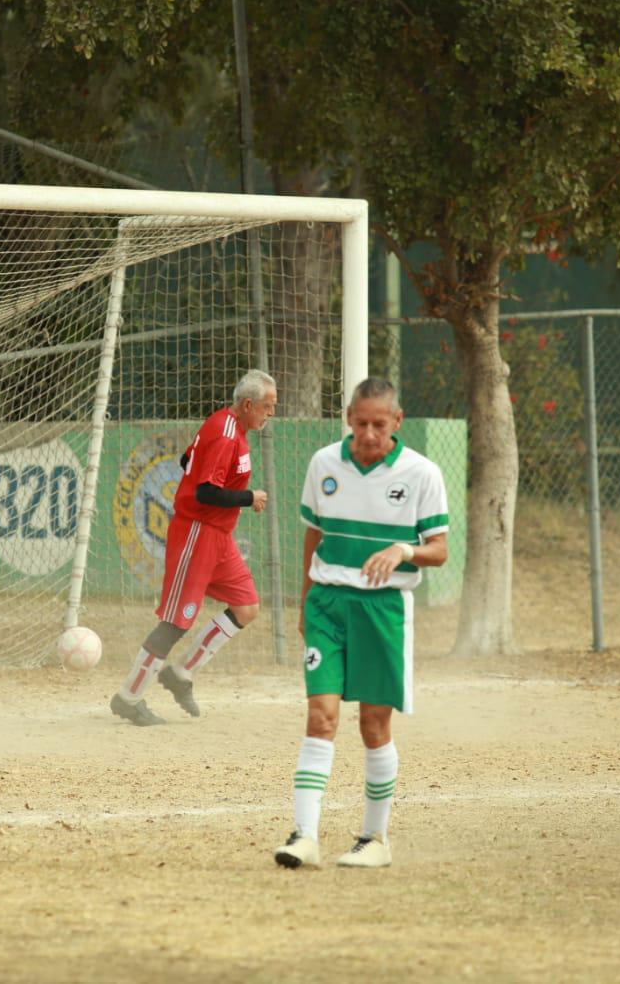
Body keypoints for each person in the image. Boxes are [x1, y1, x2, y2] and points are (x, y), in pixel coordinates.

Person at [274, 377, 450, 869]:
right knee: (321, 716)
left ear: (397, 422)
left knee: (373, 724)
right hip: (328, 605)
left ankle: (375, 838)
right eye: (361, 422)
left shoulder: (422, 473)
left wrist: (404, 549)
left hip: (383, 611)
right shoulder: (323, 464)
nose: (369, 433)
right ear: (348, 418)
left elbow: (440, 549)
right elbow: (314, 532)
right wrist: (305, 600)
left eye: (380, 423)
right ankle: (304, 837)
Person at [109, 369, 277, 726]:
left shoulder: (229, 426)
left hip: (219, 537)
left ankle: (181, 674)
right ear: (248, 404)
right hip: (197, 534)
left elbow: (188, 461)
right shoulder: (226, 433)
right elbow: (204, 491)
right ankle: (129, 697)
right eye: (267, 406)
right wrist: (249, 497)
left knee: (246, 607)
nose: (270, 413)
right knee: (175, 623)